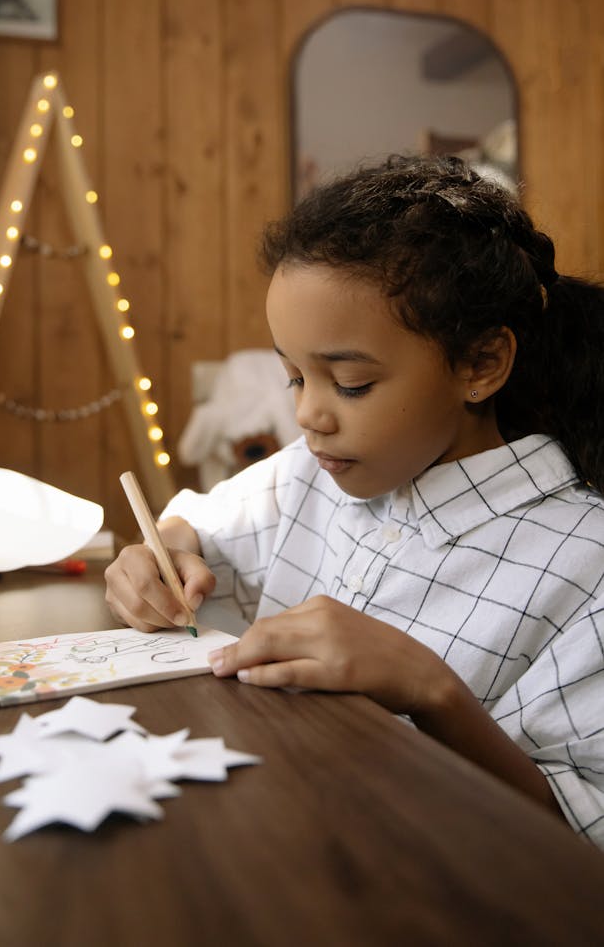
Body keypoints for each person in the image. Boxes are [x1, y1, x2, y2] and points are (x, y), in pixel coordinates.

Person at [105, 155, 604, 846]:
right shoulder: (310, 474)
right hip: (271, 843)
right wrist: (164, 550)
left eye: (350, 384)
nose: (309, 415)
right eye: (293, 378)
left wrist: (433, 691)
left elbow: (579, 836)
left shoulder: (584, 563)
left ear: (481, 364)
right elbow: (201, 524)